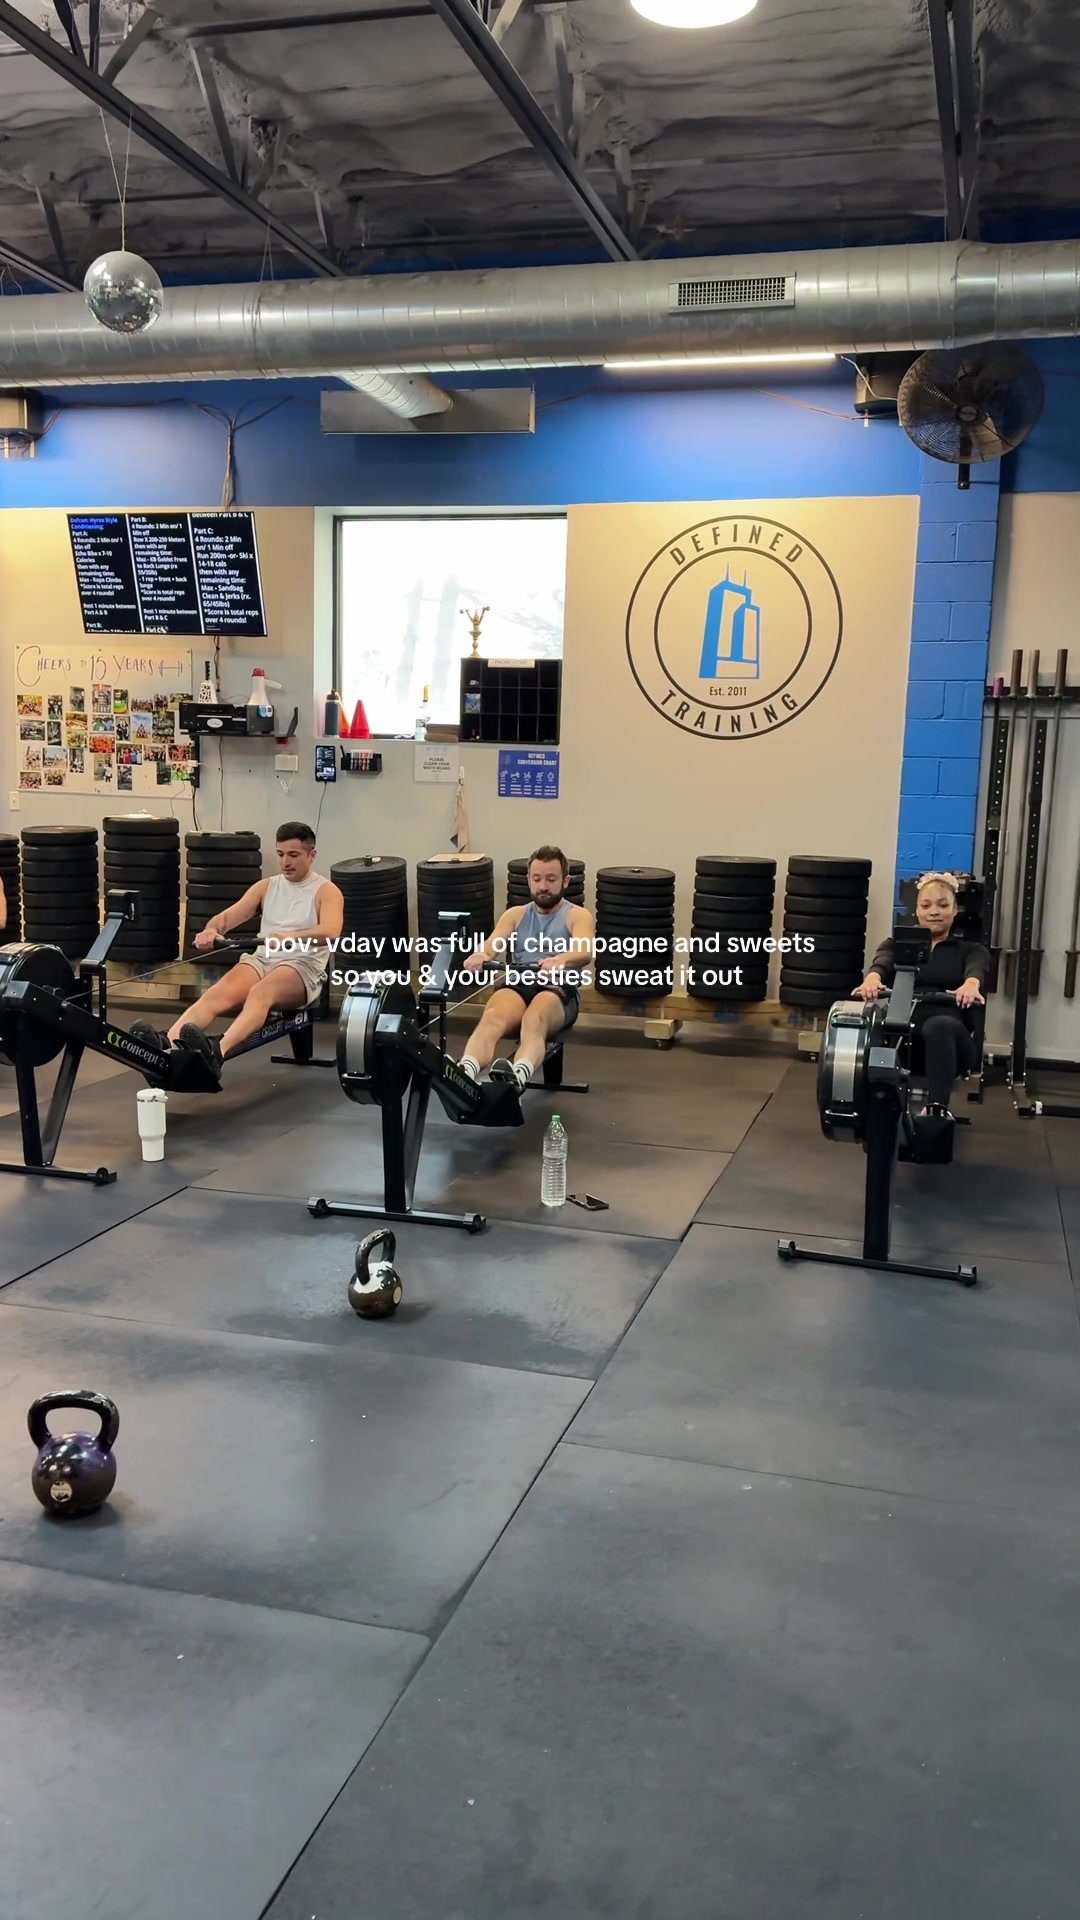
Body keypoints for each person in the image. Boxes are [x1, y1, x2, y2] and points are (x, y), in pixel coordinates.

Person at [131, 822, 343, 1077]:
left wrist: (290, 938)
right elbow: (226, 918)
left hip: (302, 965)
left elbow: (331, 933)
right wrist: (211, 930)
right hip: (263, 958)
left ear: (312, 855)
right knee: (217, 993)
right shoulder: (267, 887)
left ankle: (216, 1052)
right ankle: (166, 1047)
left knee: (260, 993)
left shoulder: (326, 891)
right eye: (280, 854)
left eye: (293, 855)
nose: (285, 862)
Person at [455, 846, 594, 1091]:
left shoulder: (577, 915)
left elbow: (585, 951)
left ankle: (518, 1076)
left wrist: (562, 959)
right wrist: (481, 955)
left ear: (565, 881)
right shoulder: (515, 914)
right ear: (529, 880)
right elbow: (493, 943)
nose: (543, 886)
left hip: (558, 989)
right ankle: (465, 1071)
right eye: (537, 879)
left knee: (534, 1019)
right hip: (520, 984)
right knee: (492, 1016)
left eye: (551, 879)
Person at [853, 870, 989, 1115]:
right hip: (903, 1036)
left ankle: (936, 1110)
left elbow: (976, 970)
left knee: (939, 1026)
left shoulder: (971, 950)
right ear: (917, 910)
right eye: (926, 906)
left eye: (943, 905)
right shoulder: (896, 944)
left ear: (955, 910)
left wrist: (971, 984)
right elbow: (881, 963)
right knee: (874, 1028)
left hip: (951, 1042)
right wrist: (872, 979)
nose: (934, 911)